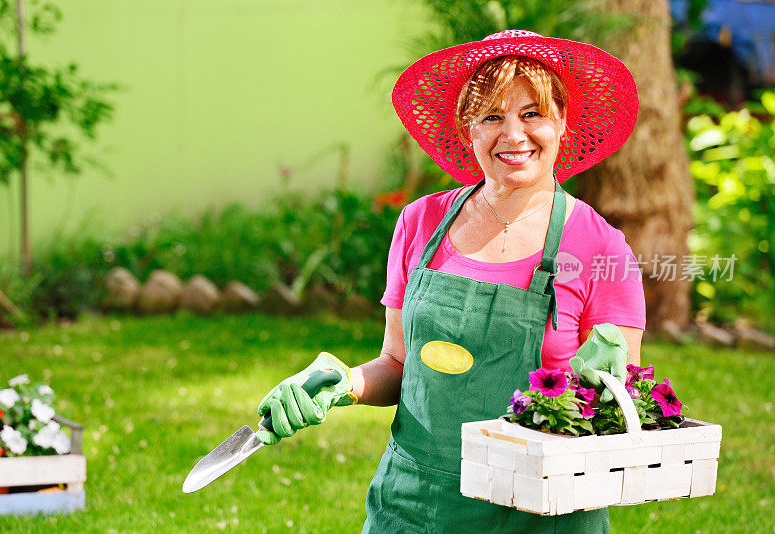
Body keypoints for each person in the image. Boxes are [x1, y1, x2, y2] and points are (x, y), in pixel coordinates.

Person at [255, 30, 646, 532]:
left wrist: (607, 390)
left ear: (563, 122)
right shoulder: (420, 222)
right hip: (418, 504)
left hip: (542, 511)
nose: (513, 135)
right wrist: (344, 384)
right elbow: (397, 362)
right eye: (491, 117)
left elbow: (620, 404)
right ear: (468, 129)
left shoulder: (600, 247)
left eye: (532, 114)